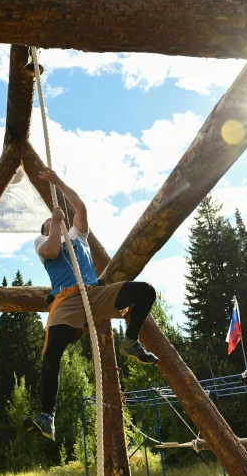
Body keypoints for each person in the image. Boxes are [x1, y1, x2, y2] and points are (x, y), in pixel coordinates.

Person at [23, 167, 158, 442]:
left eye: (56, 220)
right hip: (66, 301)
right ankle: (47, 417)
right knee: (52, 354)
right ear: (46, 229)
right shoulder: (42, 241)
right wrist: (56, 224)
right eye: (49, 221)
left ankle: (130, 341)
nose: (54, 220)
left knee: (144, 292)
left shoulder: (78, 236)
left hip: (93, 293)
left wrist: (57, 182)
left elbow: (80, 207)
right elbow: (51, 251)